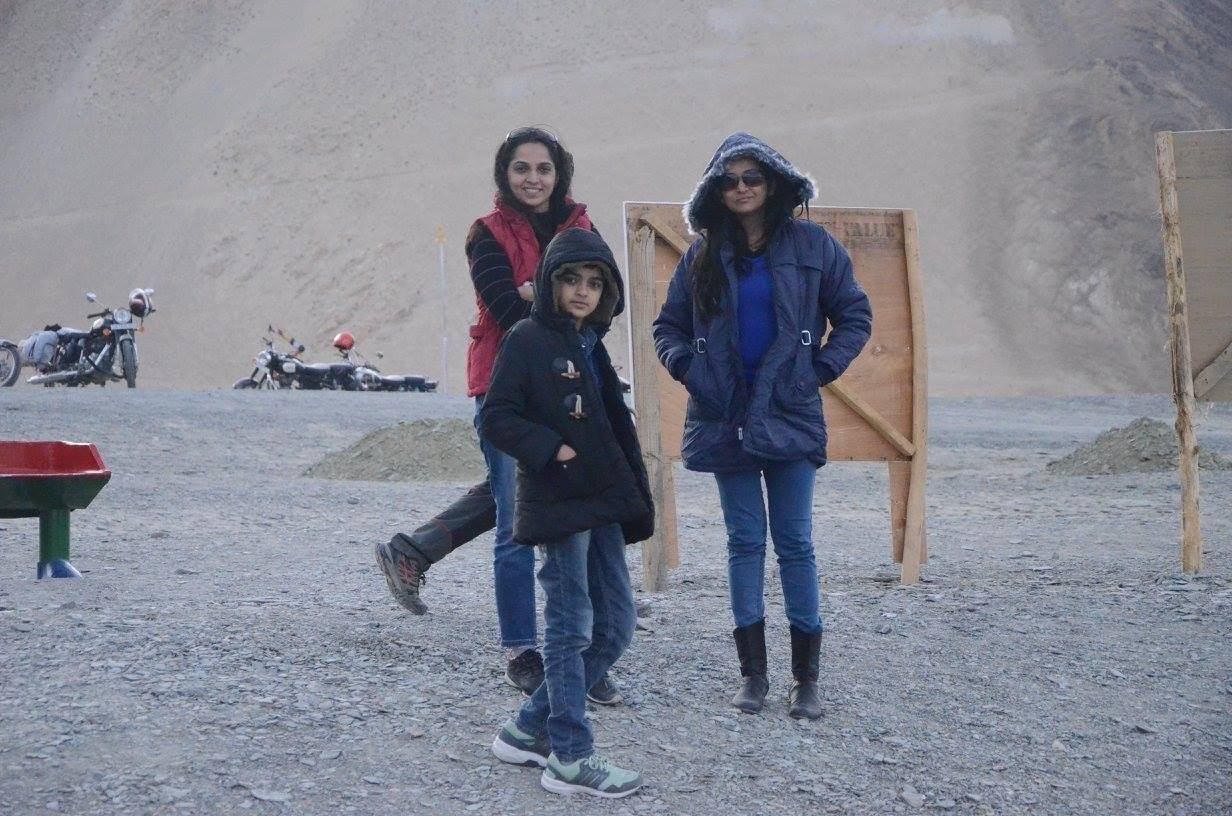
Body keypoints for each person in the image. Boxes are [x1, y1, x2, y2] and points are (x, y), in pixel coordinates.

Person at [375, 128, 621, 704]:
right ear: (504, 175)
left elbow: (608, 305)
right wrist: (556, 300)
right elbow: (508, 311)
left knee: (564, 508)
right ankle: (522, 651)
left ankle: (577, 648)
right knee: (518, 520)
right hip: (504, 386)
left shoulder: (583, 227)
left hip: (573, 389)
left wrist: (541, 292)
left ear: (560, 173)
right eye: (521, 168)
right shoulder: (485, 234)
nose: (533, 179)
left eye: (543, 168)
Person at [653, 133, 872, 720]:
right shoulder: (703, 255)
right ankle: (753, 676)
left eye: (752, 177)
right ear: (715, 191)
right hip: (724, 414)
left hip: (790, 411)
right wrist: (690, 370)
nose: (742, 188)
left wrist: (817, 370)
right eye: (729, 181)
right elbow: (668, 326)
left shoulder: (813, 246)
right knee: (744, 542)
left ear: (774, 183)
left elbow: (854, 314)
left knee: (795, 543)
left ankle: (806, 681)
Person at [481, 227, 654, 798]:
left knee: (615, 627)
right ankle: (570, 757)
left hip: (602, 500)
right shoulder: (527, 338)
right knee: (570, 625)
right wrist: (552, 449)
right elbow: (497, 417)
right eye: (572, 279)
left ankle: (526, 729)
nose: (583, 291)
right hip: (559, 502)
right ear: (550, 282)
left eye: (595, 283)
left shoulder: (590, 343)